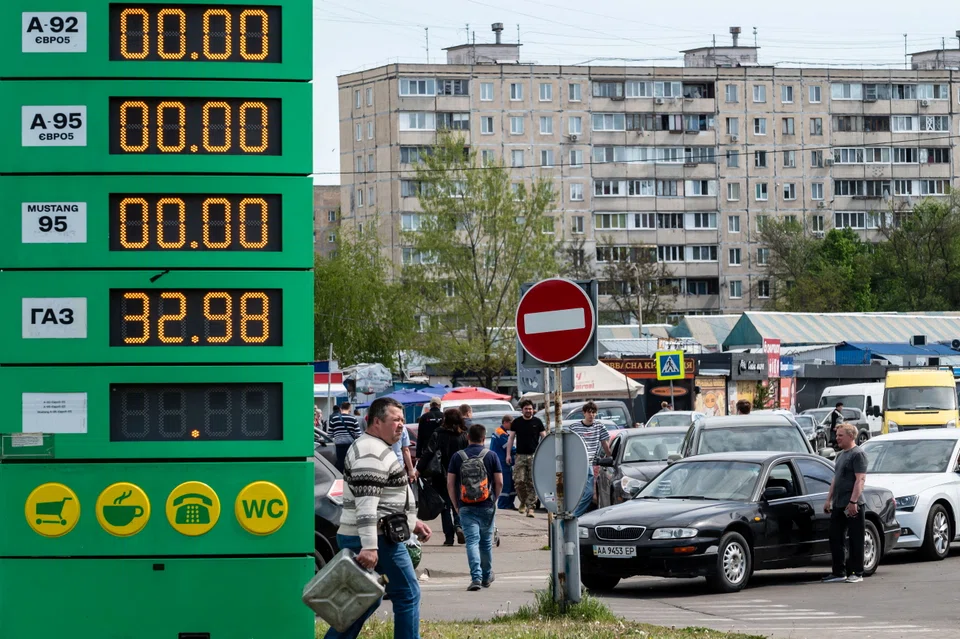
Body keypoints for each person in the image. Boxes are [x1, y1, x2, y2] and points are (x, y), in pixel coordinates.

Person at [325, 397, 432, 639]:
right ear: (375, 421)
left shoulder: (375, 447)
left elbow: (384, 500)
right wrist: (370, 546)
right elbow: (367, 506)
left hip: (376, 536)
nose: (401, 425)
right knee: (408, 593)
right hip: (379, 540)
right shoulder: (370, 451)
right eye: (395, 420)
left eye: (403, 420)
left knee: (365, 598)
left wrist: (412, 523)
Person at [447, 423, 503, 591]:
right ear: (483, 438)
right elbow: (499, 482)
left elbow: (450, 483)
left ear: (468, 437)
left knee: (471, 542)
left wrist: (456, 504)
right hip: (486, 504)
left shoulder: (458, 456)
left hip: (465, 505)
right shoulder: (491, 456)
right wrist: (494, 499)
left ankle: (476, 578)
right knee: (485, 543)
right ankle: (486, 577)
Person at [822, 423, 868, 584]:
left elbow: (860, 480)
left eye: (841, 435)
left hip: (853, 504)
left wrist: (853, 501)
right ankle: (838, 572)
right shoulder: (841, 455)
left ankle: (857, 572)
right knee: (835, 537)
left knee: (855, 539)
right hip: (839, 504)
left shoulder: (858, 454)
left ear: (850, 436)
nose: (837, 438)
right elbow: (836, 479)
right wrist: (829, 499)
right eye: (837, 435)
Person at [416, 408, 468, 545]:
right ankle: (459, 526)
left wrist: (418, 469)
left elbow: (428, 452)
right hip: (460, 474)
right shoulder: (464, 435)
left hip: (440, 475)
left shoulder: (438, 434)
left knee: (444, 505)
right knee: (458, 502)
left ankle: (449, 538)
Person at [569, 401, 612, 518]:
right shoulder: (575, 427)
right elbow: (568, 444)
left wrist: (610, 457)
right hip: (577, 463)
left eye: (594, 413)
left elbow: (605, 444)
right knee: (576, 493)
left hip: (589, 463)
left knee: (588, 493)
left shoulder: (599, 426)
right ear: (584, 413)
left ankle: (574, 516)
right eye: (589, 412)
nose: (591, 415)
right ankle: (571, 514)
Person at [506, 399, 546, 518]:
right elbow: (511, 439)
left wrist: (545, 453)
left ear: (533, 409)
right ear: (522, 410)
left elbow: (544, 437)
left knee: (532, 482)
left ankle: (531, 507)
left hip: (534, 455)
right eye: (526, 409)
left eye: (530, 409)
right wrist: (508, 454)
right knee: (519, 481)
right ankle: (523, 501)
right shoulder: (517, 422)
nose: (528, 411)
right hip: (520, 456)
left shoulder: (538, 422)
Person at [490, 414, 516, 510]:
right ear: (505, 422)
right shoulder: (501, 434)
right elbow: (509, 448)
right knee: (506, 484)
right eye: (511, 424)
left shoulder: (500, 432)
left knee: (510, 484)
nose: (512, 426)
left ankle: (509, 504)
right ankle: (503, 504)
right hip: (502, 463)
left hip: (502, 462)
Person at [329, 401, 362, 472]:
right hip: (350, 446)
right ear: (349, 409)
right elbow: (359, 434)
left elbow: (330, 434)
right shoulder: (353, 419)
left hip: (339, 446)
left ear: (341, 408)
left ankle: (341, 479)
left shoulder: (334, 419)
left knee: (341, 465)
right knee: (350, 465)